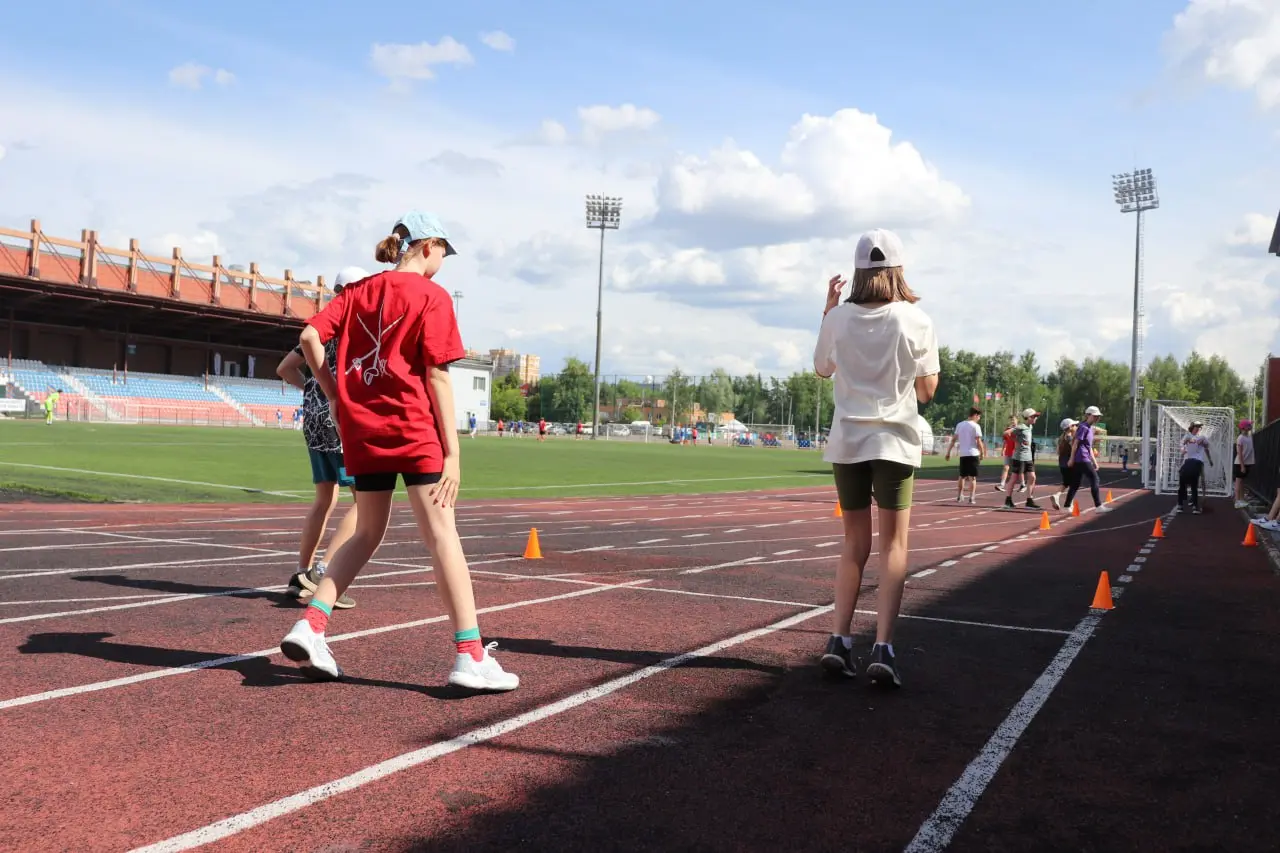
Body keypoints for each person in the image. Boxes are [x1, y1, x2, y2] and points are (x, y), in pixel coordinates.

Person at [279, 211, 519, 692]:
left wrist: (331, 392)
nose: (443, 263)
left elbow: (308, 337)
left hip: (363, 432)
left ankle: (311, 625)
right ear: (429, 245)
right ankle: (470, 655)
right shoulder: (432, 296)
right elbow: (437, 376)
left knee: (366, 532)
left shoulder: (358, 291)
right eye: (444, 254)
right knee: (442, 537)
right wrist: (453, 453)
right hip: (413, 430)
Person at [813, 228, 939, 688]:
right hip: (894, 441)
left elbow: (822, 367)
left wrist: (829, 311)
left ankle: (838, 640)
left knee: (853, 544)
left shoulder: (839, 319)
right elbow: (926, 391)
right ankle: (883, 647)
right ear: (898, 270)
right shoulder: (916, 320)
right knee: (893, 545)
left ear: (859, 272)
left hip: (847, 440)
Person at [275, 266, 370, 610]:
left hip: (312, 419)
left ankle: (301, 573)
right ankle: (322, 573)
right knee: (364, 502)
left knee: (324, 500)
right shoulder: (353, 326)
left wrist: (312, 388)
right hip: (339, 418)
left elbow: (284, 368)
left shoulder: (323, 323)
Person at [1063, 405, 1111, 513]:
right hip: (1081, 458)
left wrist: (1094, 462)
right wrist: (1071, 458)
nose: (1096, 418)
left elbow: (1088, 447)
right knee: (1095, 479)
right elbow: (1075, 443)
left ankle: (1066, 507)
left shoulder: (1089, 429)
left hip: (1083, 458)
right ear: (1088, 415)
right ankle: (1098, 506)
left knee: (1075, 483)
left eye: (1098, 417)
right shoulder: (1083, 427)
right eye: (1094, 416)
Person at [1002, 408, 1044, 510]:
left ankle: (1029, 501)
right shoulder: (1021, 427)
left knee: (1032, 477)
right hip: (1019, 457)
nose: (1036, 418)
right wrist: (1017, 441)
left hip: (1028, 457)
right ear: (1029, 417)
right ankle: (1008, 500)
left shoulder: (1030, 427)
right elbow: (1006, 433)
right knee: (1014, 478)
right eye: (1034, 417)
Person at [944, 407, 985, 503]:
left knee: (962, 476)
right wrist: (982, 452)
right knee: (972, 477)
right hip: (973, 453)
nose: (979, 418)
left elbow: (954, 439)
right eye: (979, 416)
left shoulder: (960, 425)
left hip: (963, 454)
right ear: (975, 415)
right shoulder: (975, 426)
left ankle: (959, 496)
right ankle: (971, 497)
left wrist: (948, 452)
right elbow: (978, 441)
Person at [1176, 420, 1213, 514]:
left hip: (1198, 462)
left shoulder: (1202, 437)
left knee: (1196, 481)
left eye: (1199, 427)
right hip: (1188, 461)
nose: (1198, 428)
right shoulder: (1187, 436)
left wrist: (1210, 459)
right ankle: (1180, 504)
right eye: (1196, 426)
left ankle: (1197, 503)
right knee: (1182, 481)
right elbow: (1182, 445)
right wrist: (1183, 449)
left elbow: (1207, 448)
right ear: (1192, 427)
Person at [1049, 418, 1077, 511]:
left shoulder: (1061, 437)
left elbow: (1057, 451)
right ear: (1070, 427)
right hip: (1070, 463)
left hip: (1062, 463)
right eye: (1074, 425)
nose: (1076, 427)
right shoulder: (1069, 437)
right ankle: (1069, 505)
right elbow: (1074, 448)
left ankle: (1056, 495)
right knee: (1073, 484)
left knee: (1066, 483)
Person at [1235, 420, 1255, 509]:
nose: (1250, 426)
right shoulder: (1240, 438)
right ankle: (1237, 501)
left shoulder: (1249, 437)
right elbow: (1239, 453)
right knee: (1238, 482)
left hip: (1247, 462)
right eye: (1249, 425)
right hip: (1240, 463)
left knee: (1242, 482)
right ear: (1243, 428)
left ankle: (1242, 499)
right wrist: (1242, 465)